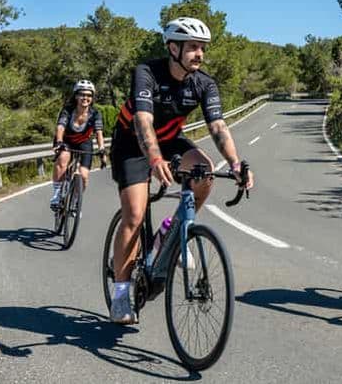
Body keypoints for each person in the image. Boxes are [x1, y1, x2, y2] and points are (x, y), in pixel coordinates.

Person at [109, 16, 255, 324]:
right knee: (134, 216)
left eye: (202, 48)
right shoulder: (147, 73)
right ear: (173, 48)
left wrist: (236, 164)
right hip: (132, 144)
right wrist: (155, 161)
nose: (199, 54)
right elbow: (142, 122)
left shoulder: (204, 83)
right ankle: (121, 293)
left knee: (203, 171)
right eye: (192, 47)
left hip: (169, 140)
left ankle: (170, 231)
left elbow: (217, 126)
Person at [50, 80, 106, 210]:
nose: (85, 98)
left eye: (89, 95)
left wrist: (102, 149)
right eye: (82, 94)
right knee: (63, 159)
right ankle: (57, 195)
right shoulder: (68, 110)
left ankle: (75, 200)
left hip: (84, 142)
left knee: (84, 175)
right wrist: (59, 142)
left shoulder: (95, 114)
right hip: (66, 140)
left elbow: (99, 133)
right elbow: (60, 127)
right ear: (76, 96)